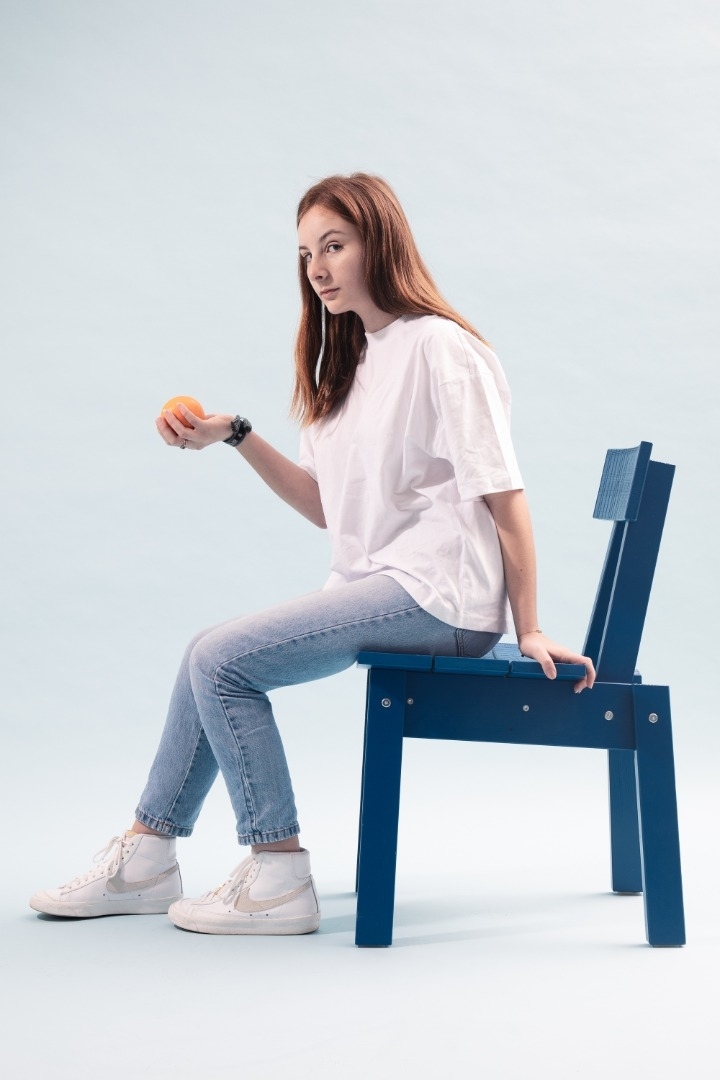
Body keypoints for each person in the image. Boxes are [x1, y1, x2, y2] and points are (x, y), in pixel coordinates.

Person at [30, 173, 595, 936]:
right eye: (305, 254)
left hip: (442, 596)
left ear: (379, 243)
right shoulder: (349, 364)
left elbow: (506, 497)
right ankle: (148, 855)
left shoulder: (440, 346)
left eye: (334, 246)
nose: (318, 269)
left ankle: (278, 872)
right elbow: (329, 507)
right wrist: (235, 435)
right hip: (387, 587)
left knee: (222, 661)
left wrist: (529, 628)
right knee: (205, 652)